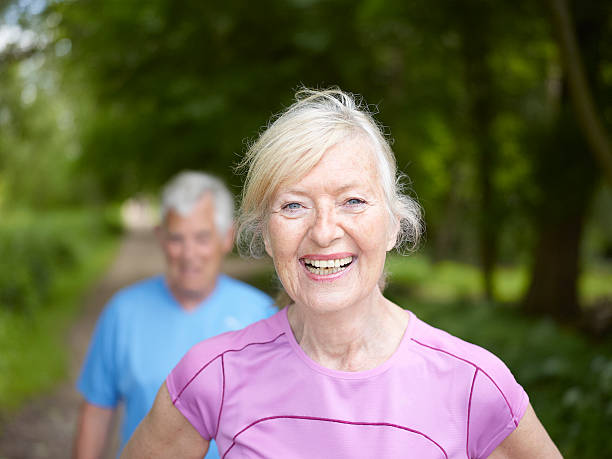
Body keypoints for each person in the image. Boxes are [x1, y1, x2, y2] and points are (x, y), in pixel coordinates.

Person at [122, 89, 562, 458]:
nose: (324, 231)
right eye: (294, 205)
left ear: (393, 225)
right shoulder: (212, 374)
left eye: (352, 201)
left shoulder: (473, 384)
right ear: (267, 235)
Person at [73, 171, 276, 459]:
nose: (188, 253)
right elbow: (96, 411)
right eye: (176, 239)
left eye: (202, 237)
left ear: (226, 237)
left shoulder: (263, 314)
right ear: (160, 237)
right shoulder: (122, 313)